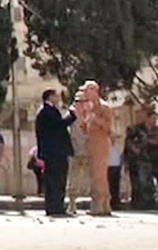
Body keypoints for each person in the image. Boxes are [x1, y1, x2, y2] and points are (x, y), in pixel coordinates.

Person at [35, 88, 77, 217]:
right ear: (50, 97)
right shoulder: (48, 112)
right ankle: (55, 206)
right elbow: (59, 125)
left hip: (53, 152)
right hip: (55, 152)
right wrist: (72, 115)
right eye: (56, 96)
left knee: (55, 180)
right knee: (56, 180)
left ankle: (55, 205)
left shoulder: (47, 112)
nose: (58, 98)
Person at [80, 81, 114, 216]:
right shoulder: (89, 108)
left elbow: (109, 127)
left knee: (100, 175)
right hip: (91, 142)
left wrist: (95, 119)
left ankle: (101, 204)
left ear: (94, 90)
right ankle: (102, 204)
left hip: (101, 143)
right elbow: (85, 128)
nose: (85, 94)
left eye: (87, 91)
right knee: (94, 174)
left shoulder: (104, 107)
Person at [67, 89, 91, 215]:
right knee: (74, 177)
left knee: (91, 177)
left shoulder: (89, 114)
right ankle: (72, 203)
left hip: (88, 149)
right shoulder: (71, 114)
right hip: (75, 149)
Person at [124, 106, 152, 209]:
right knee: (136, 182)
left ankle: (148, 201)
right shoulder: (133, 129)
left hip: (147, 159)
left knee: (145, 181)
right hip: (135, 160)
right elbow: (128, 143)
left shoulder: (151, 128)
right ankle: (137, 202)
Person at [107, 131, 123, 209]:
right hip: (108, 167)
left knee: (115, 186)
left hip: (116, 167)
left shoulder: (116, 148)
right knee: (109, 186)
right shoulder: (105, 148)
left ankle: (116, 201)